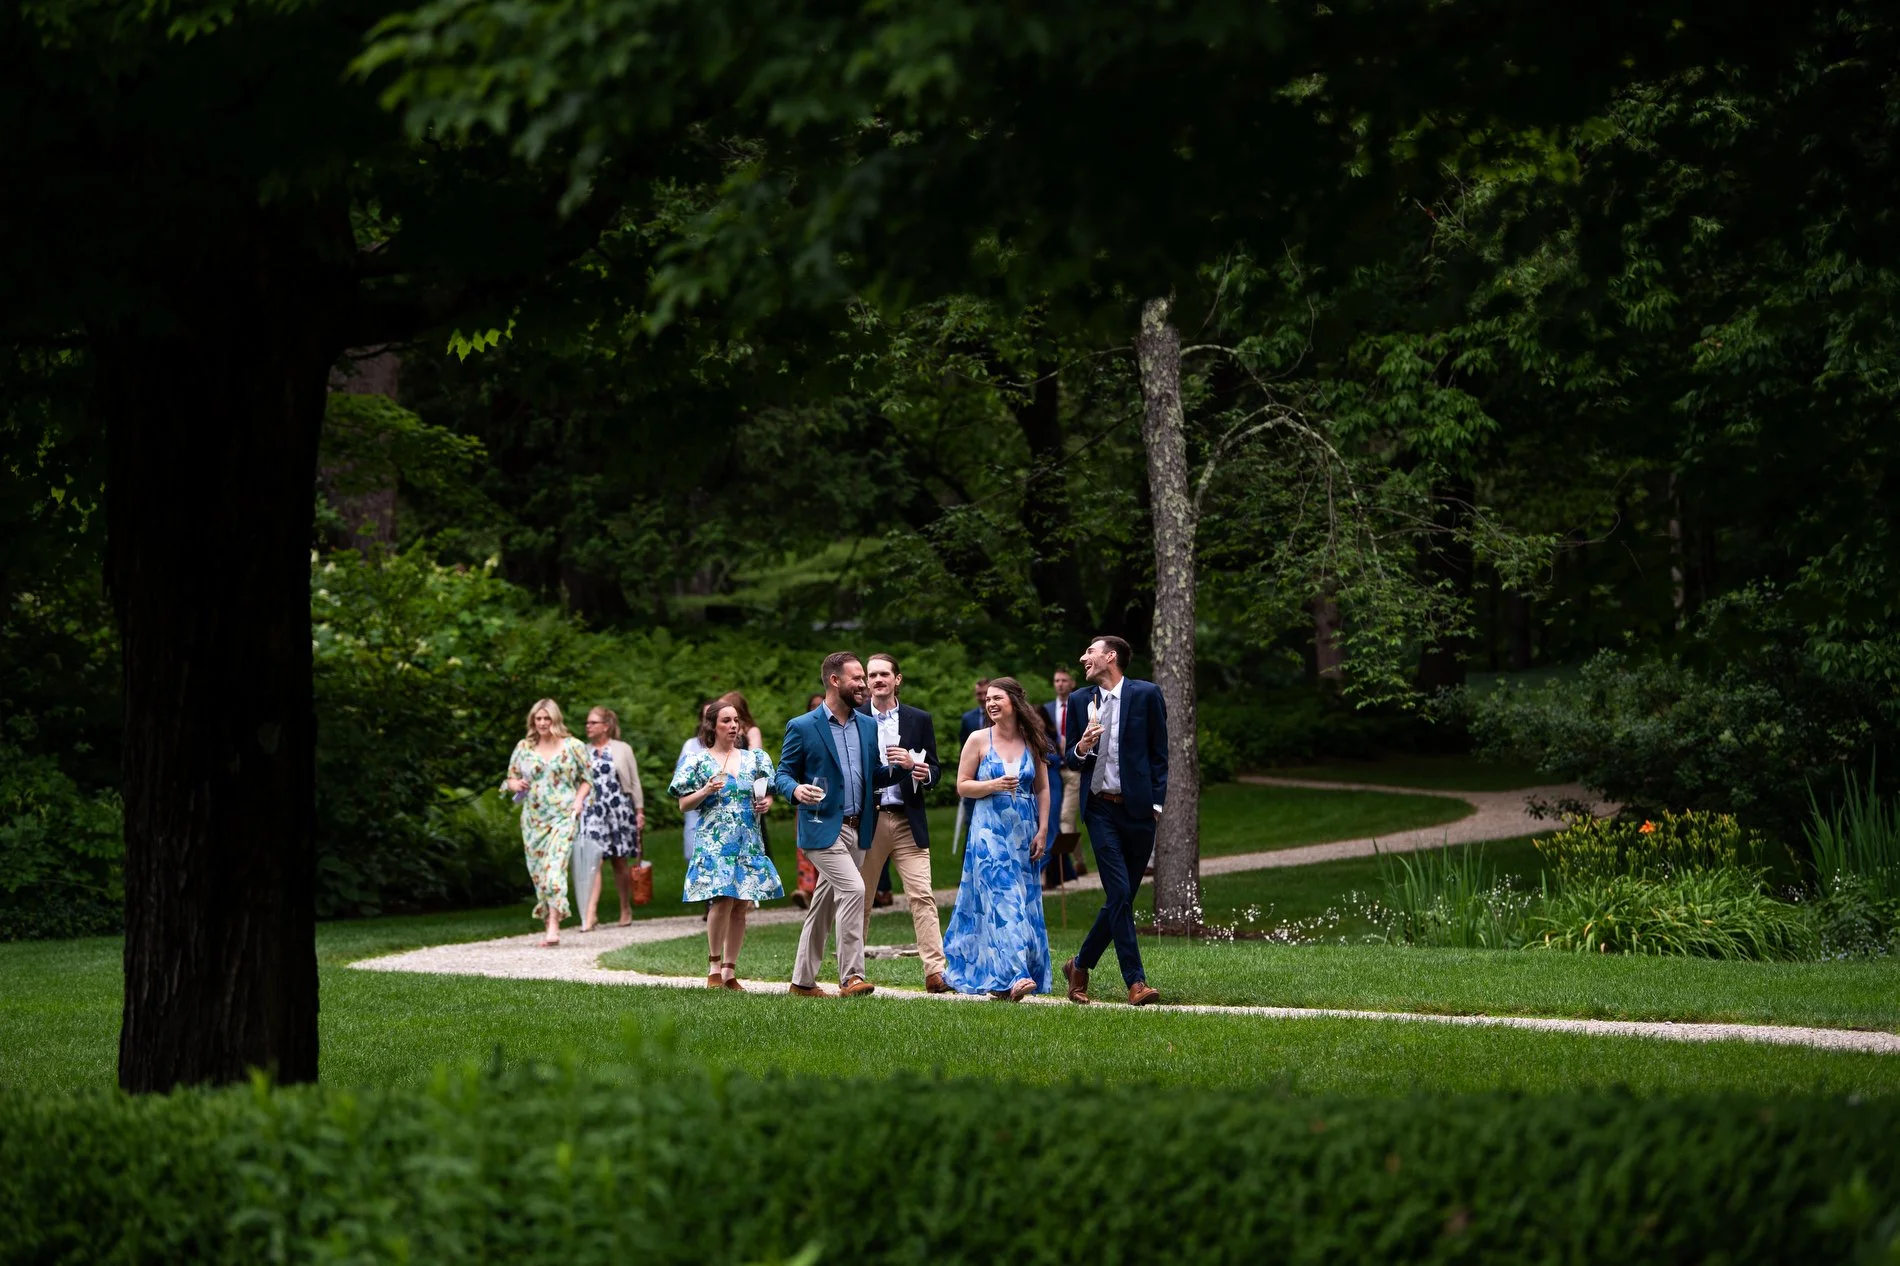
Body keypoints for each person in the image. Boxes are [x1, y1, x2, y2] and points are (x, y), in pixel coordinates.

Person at [774, 652, 903, 998]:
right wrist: (796, 789)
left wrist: (901, 768)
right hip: (820, 827)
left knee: (823, 905)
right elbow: (782, 775)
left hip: (858, 828)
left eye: (863, 678)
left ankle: (802, 982)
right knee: (854, 890)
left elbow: (871, 775)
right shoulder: (802, 726)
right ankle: (852, 977)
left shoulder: (867, 725)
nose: (863, 685)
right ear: (835, 681)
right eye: (857, 679)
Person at [1060, 636, 1168, 1007]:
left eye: (1089, 651)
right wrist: (1082, 746)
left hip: (1140, 812)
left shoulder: (1146, 694)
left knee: (1121, 896)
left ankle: (1080, 963)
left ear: (1111, 657)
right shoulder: (1079, 701)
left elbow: (1159, 753)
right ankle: (1135, 982)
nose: (1082, 657)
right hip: (1100, 809)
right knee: (1119, 893)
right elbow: (1071, 759)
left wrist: (1156, 805)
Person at [941, 677, 1053, 1000]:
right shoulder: (978, 739)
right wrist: (993, 785)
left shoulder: (1032, 739)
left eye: (997, 698)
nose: (990, 704)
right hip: (988, 836)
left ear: (1014, 702)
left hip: (1024, 834)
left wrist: (1043, 829)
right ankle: (1017, 974)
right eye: (987, 699)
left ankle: (1001, 981)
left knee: (1023, 900)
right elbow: (962, 785)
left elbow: (1043, 788)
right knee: (1005, 903)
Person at [669, 700, 783, 989]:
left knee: (742, 903)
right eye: (726, 721)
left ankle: (731, 970)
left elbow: (766, 793)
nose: (733, 726)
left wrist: (764, 804)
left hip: (748, 838)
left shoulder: (754, 759)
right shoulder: (698, 761)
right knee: (721, 900)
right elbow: (683, 804)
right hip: (714, 839)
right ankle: (714, 966)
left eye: (736, 721)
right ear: (712, 726)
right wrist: (706, 789)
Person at [856, 653, 948, 992]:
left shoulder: (918, 719)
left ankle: (935, 972)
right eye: (872, 675)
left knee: (922, 895)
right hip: (870, 820)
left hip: (908, 819)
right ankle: (854, 972)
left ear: (898, 679)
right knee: (860, 898)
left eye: (884, 674)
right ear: (866, 681)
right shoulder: (855, 718)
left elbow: (935, 769)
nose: (877, 680)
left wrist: (921, 770)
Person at [502, 698, 592, 946]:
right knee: (540, 873)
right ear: (533, 721)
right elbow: (510, 778)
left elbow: (587, 779)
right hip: (533, 818)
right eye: (538, 719)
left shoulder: (573, 746)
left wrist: (579, 800)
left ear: (555, 719)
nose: (542, 723)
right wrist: (516, 784)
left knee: (555, 869)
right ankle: (548, 921)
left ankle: (554, 926)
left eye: (546, 718)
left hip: (563, 815)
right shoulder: (524, 747)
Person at [577, 707, 646, 931]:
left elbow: (634, 781)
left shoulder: (622, 749)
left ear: (606, 726)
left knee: (619, 862)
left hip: (618, 810)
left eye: (593, 722)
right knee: (593, 861)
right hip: (593, 811)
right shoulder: (582, 751)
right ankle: (590, 913)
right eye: (587, 723)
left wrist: (639, 810)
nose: (588, 726)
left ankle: (625, 908)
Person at [1041, 668, 1087, 883]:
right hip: (1055, 770)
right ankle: (1078, 860)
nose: (1059, 684)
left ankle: (1066, 866)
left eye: (1063, 680)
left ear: (1072, 683)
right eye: (1056, 680)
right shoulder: (1048, 709)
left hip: (1075, 768)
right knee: (1062, 818)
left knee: (1065, 818)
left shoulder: (1081, 705)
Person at [790, 693, 826, 908]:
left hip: (830, 799)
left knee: (826, 846)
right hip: (806, 797)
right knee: (804, 844)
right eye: (813, 706)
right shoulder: (802, 732)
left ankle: (819, 891)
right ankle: (805, 890)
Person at [678, 699, 716, 863]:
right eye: (706, 717)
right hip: (696, 808)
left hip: (721, 808)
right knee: (693, 855)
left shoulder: (731, 747)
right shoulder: (691, 745)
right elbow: (681, 779)